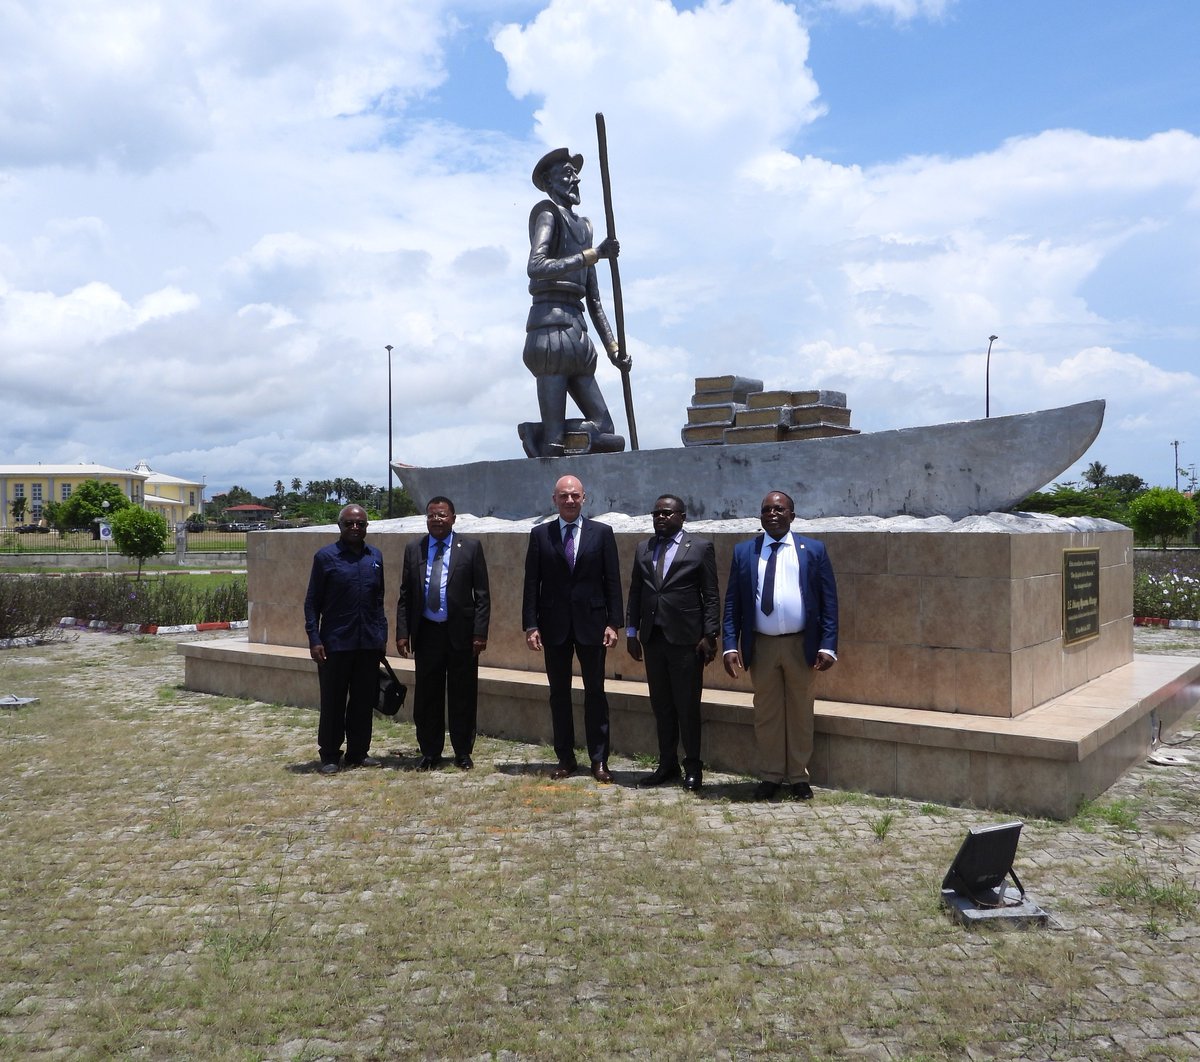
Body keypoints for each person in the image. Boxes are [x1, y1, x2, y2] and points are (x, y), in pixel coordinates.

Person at [722, 490, 839, 800]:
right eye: (766, 510)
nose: (772, 514)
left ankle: (799, 777)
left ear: (792, 515)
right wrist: (730, 646)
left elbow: (829, 602)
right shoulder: (744, 552)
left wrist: (828, 645)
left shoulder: (813, 550)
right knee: (767, 712)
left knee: (801, 709)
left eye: (779, 509)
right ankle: (772, 774)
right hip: (762, 647)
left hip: (802, 646)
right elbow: (732, 603)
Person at [523, 147, 631, 457]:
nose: (575, 179)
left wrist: (614, 349)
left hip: (578, 334)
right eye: (567, 174)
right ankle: (548, 435)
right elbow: (536, 266)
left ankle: (540, 429)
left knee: (606, 432)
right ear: (550, 182)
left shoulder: (584, 227)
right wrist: (592, 255)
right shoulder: (547, 213)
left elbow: (594, 299)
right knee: (555, 445)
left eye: (575, 174)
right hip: (550, 331)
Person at [522, 474, 623, 782]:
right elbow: (531, 584)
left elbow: (613, 581)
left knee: (595, 693)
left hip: (593, 626)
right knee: (559, 694)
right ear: (554, 499)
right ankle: (565, 758)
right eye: (563, 496)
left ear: (584, 498)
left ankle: (598, 760)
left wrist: (613, 623)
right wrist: (530, 625)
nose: (569, 500)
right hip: (553, 627)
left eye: (574, 495)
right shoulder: (540, 535)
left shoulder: (602, 533)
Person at [626, 494, 718, 791]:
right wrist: (631, 633)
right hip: (653, 638)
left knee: (687, 706)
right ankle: (667, 765)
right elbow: (636, 593)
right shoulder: (644, 548)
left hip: (687, 641)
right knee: (662, 705)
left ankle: (693, 766)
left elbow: (711, 595)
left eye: (667, 513)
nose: (661, 518)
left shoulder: (700, 547)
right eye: (656, 514)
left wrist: (710, 635)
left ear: (682, 516)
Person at [396, 496, 490, 771]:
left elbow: (482, 595)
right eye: (431, 515)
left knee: (462, 694)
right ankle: (430, 752)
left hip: (461, 634)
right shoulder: (414, 549)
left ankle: (462, 752)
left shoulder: (471, 548)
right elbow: (405, 594)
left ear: (453, 518)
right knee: (427, 697)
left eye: (441, 515)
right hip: (427, 634)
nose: (436, 520)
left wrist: (480, 633)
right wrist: (403, 632)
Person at [303, 503, 388, 774]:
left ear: (366, 527)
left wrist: (381, 635)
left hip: (367, 644)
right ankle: (329, 754)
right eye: (349, 523)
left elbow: (379, 599)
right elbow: (311, 602)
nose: (355, 527)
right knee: (333, 701)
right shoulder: (326, 557)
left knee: (363, 701)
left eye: (360, 524)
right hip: (335, 644)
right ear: (340, 526)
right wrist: (314, 639)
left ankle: (358, 753)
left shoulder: (374, 557)